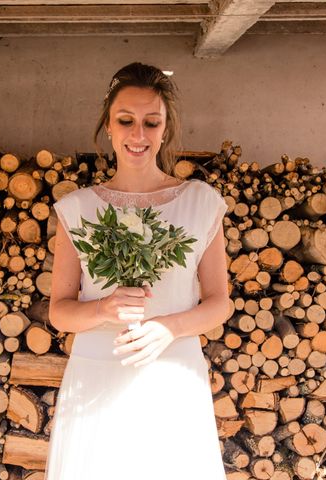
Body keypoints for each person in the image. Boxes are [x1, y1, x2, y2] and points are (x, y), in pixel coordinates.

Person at [46, 62, 230, 480]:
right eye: (125, 121)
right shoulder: (78, 210)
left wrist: (170, 327)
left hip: (173, 373)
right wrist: (103, 310)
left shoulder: (199, 203)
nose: (138, 134)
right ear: (108, 127)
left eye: (151, 122)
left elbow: (220, 301)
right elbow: (59, 311)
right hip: (96, 373)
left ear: (165, 129)